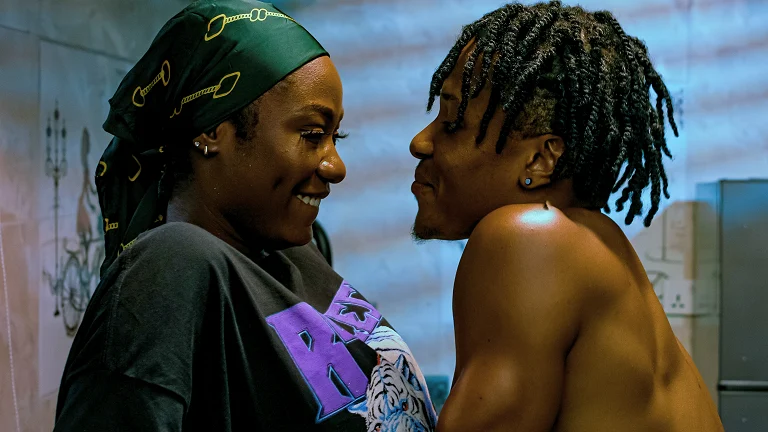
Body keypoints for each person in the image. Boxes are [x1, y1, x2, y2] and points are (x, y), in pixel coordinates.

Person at [54, 2, 437, 431]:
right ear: (212, 130)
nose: (336, 166)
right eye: (312, 135)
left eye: (336, 136)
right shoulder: (171, 266)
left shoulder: (291, 253)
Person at [409, 1, 724, 431]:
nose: (420, 142)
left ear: (539, 160)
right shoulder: (599, 244)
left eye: (451, 122)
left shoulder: (530, 238)